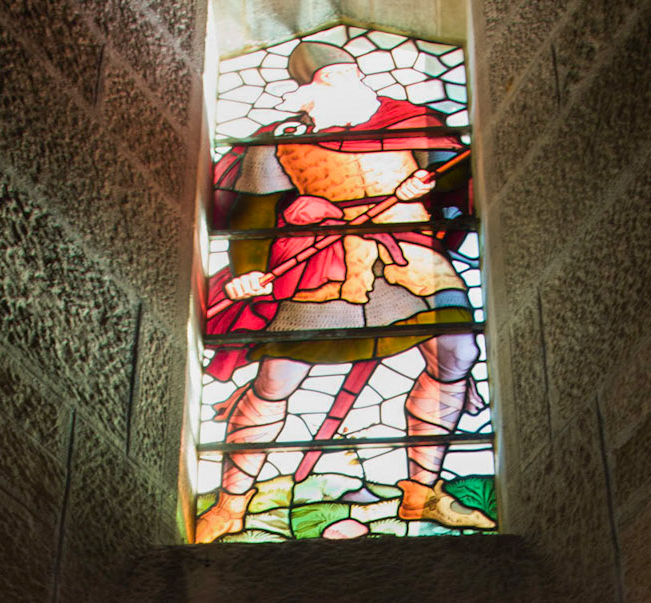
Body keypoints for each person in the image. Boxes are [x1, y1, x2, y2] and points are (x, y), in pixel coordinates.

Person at [194, 39, 495, 543]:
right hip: (325, 263)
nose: (330, 89)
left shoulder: (412, 121)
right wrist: (248, 269)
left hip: (409, 253)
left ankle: (422, 492)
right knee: (276, 379)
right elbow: (254, 213)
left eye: (336, 78)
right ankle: (231, 506)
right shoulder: (280, 142)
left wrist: (429, 180)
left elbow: (461, 167)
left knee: (457, 353)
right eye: (318, 85)